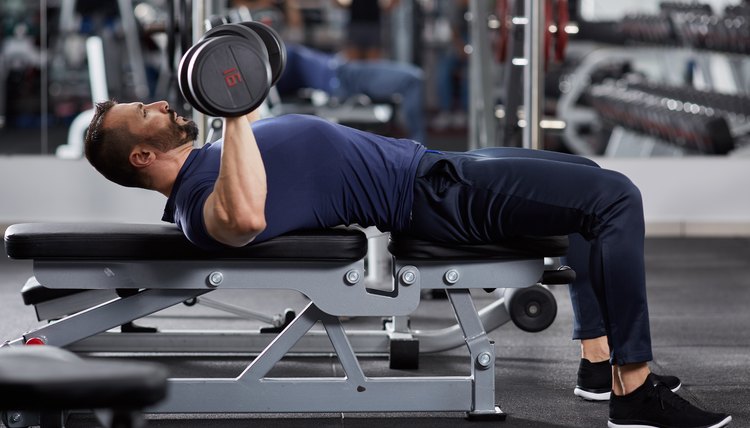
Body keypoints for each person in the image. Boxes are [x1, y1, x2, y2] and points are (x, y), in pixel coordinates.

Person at [83, 101, 732, 428]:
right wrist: (240, 113)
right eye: (148, 114)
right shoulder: (201, 202)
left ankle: (598, 364)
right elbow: (243, 219)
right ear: (142, 157)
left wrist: (238, 110)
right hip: (437, 197)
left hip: (443, 171)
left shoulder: (209, 164)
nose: (164, 106)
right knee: (616, 198)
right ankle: (633, 387)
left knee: (590, 182)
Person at [276, 43, 426, 144]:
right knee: (412, 79)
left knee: (414, 77)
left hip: (344, 68)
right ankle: (419, 149)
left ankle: (416, 146)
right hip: (342, 84)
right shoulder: (269, 73)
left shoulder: (272, 48)